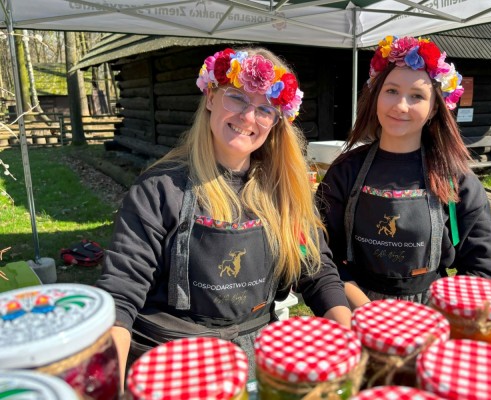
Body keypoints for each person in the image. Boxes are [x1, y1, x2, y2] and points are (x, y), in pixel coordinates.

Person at [96, 46, 351, 384]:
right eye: (237, 98)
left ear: (276, 123)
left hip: (255, 355)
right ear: (211, 97)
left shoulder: (284, 191)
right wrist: (109, 382)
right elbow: (121, 293)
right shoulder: (160, 188)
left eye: (265, 109)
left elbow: (317, 274)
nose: (248, 117)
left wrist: (350, 338)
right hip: (170, 356)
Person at [317, 36, 491, 310]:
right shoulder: (346, 170)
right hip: (354, 310)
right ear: (375, 95)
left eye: (416, 96)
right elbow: (319, 253)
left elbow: (478, 269)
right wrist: (365, 312)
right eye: (391, 91)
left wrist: (442, 320)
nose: (400, 106)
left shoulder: (456, 179)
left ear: (435, 107)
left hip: (432, 313)